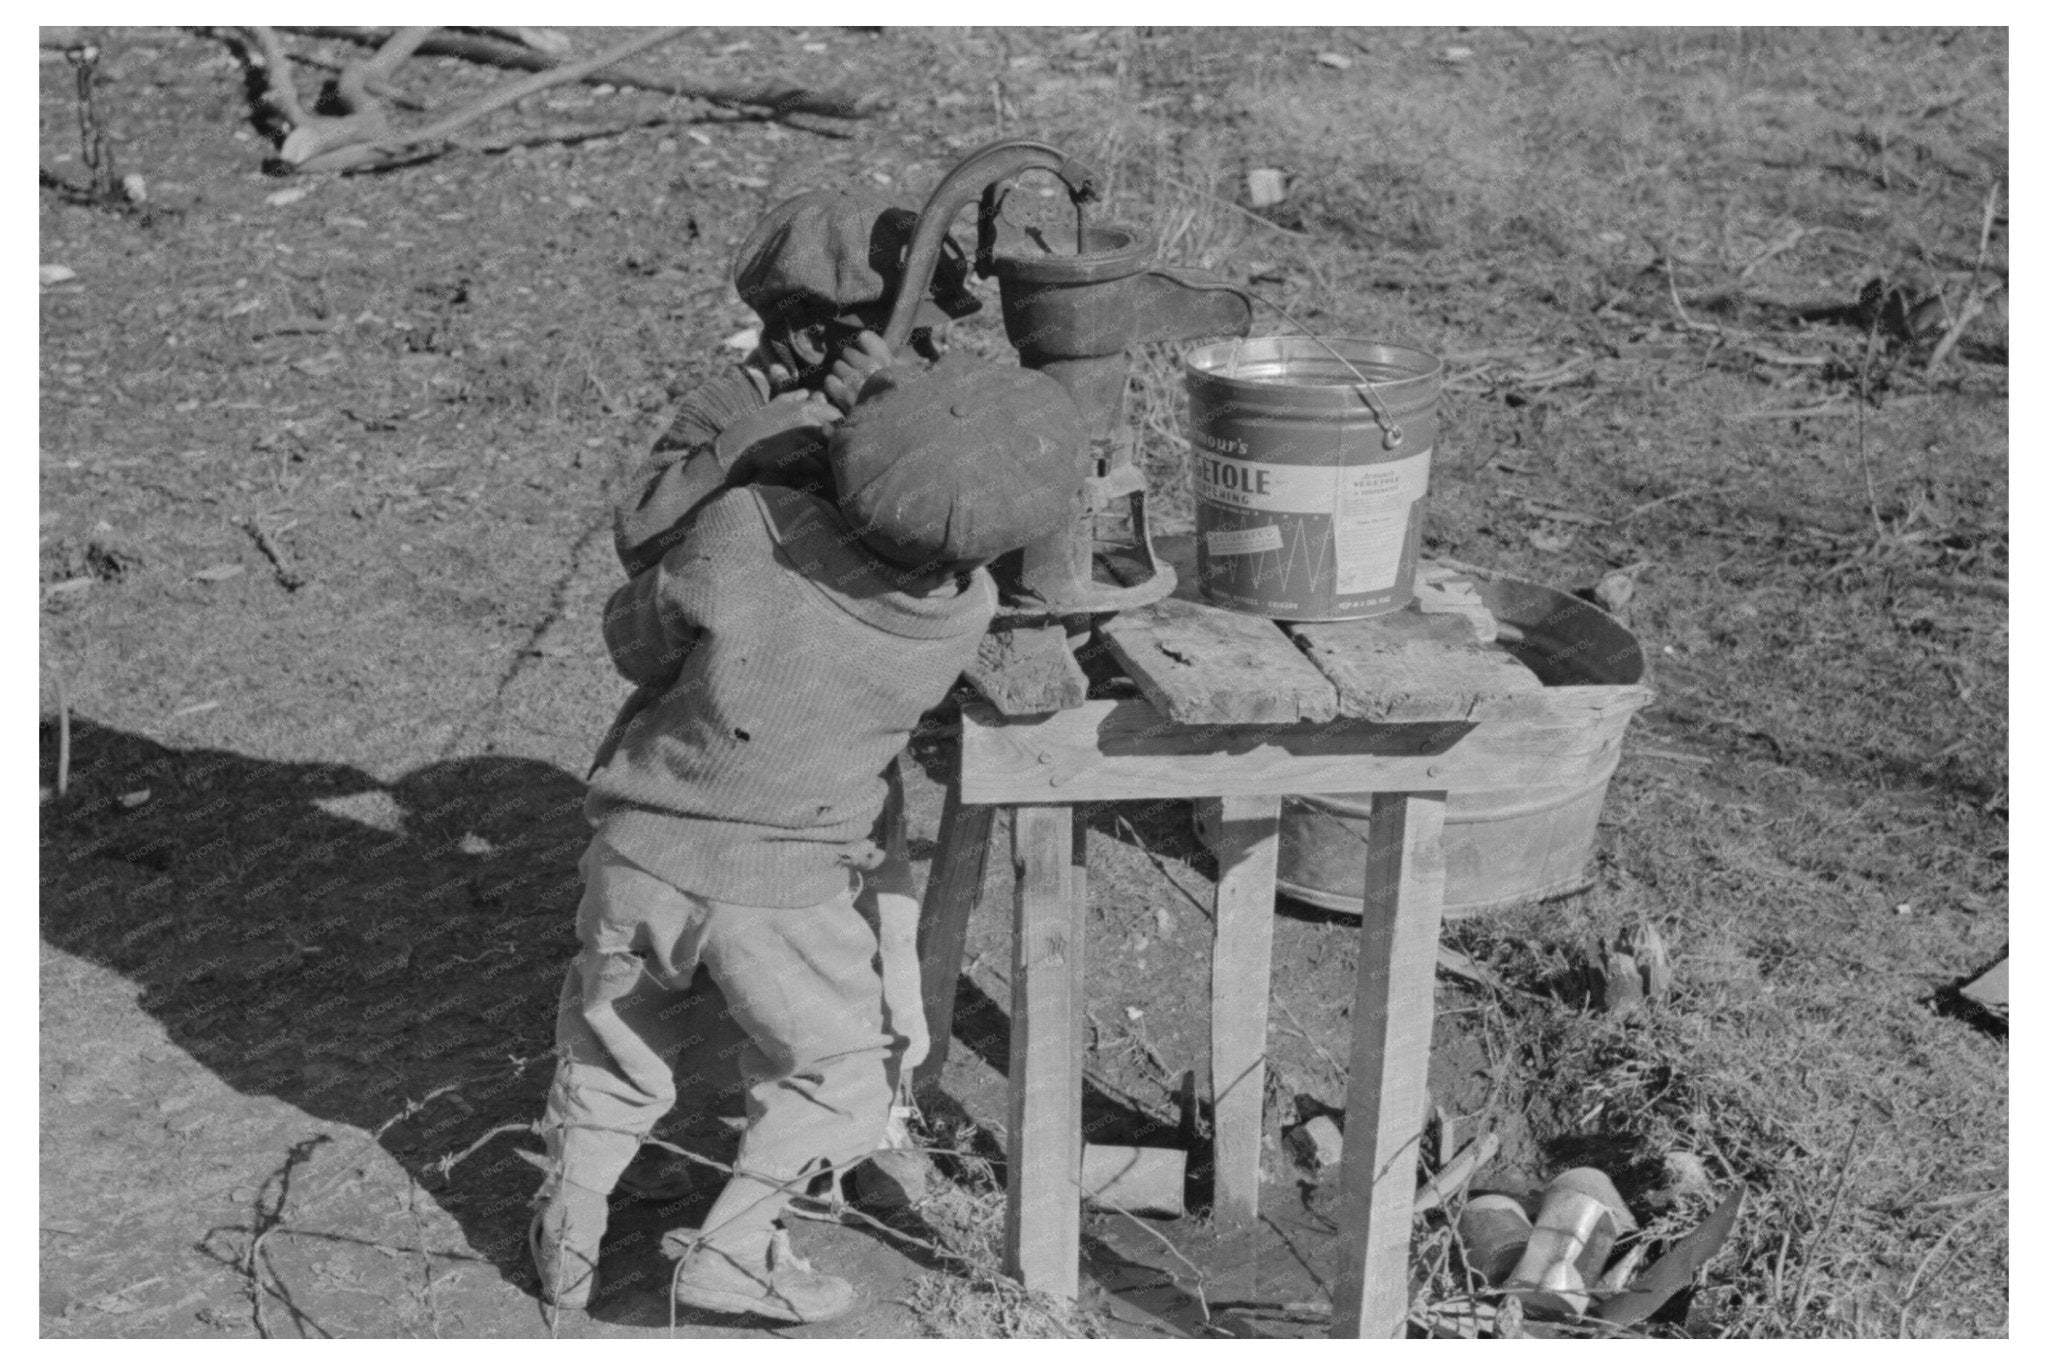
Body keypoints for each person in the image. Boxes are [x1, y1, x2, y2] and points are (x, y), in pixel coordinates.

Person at [532, 357, 1084, 1324]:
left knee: (613, 1042)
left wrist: (769, 450)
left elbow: (634, 640)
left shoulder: (742, 530)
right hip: (777, 893)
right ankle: (734, 1252)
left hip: (635, 853)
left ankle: (568, 1233)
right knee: (838, 1074)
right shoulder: (961, 615)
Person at [600, 185, 985, 1209]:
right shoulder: (734, 402)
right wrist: (745, 448)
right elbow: (639, 535)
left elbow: (965, 500)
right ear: (803, 326)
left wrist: (893, 404)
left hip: (843, 742)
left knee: (879, 928)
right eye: (851, 330)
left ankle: (870, 1129)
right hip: (718, 732)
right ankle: (686, 1129)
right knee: (684, 942)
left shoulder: (917, 385)